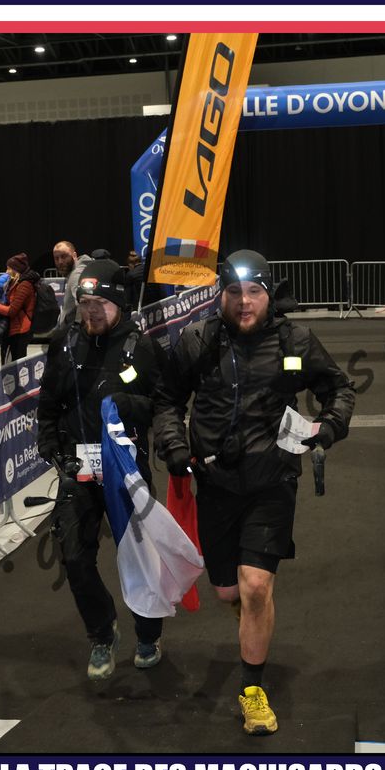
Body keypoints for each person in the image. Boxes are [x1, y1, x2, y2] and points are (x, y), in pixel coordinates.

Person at [153, 249, 356, 735]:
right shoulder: (198, 340)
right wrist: (174, 445)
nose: (244, 302)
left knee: (257, 586)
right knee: (229, 590)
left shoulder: (294, 340)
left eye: (254, 292)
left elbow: (340, 389)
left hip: (272, 482)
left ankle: (252, 691)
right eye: (234, 292)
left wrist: (328, 428)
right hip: (215, 484)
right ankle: (251, 613)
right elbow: (167, 400)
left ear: (269, 294)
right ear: (221, 294)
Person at [36, 258, 171, 679]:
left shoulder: (141, 348)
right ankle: (101, 633)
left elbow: (164, 405)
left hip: (126, 470)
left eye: (100, 305)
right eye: (84, 303)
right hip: (78, 468)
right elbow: (48, 402)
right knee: (74, 556)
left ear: (119, 305)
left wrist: (131, 405)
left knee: (140, 557)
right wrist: (49, 442)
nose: (91, 312)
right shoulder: (64, 343)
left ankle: (148, 635)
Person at [0, 252, 38, 365]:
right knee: (10, 363)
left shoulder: (24, 285)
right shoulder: (14, 282)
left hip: (21, 330)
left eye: (9, 268)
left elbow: (12, 311)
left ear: (16, 269)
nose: (6, 271)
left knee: (19, 364)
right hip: (14, 328)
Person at [53, 240, 93, 329]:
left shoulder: (76, 275)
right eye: (56, 258)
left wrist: (76, 329)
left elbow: (84, 303)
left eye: (64, 256)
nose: (60, 262)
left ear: (74, 256)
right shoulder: (77, 272)